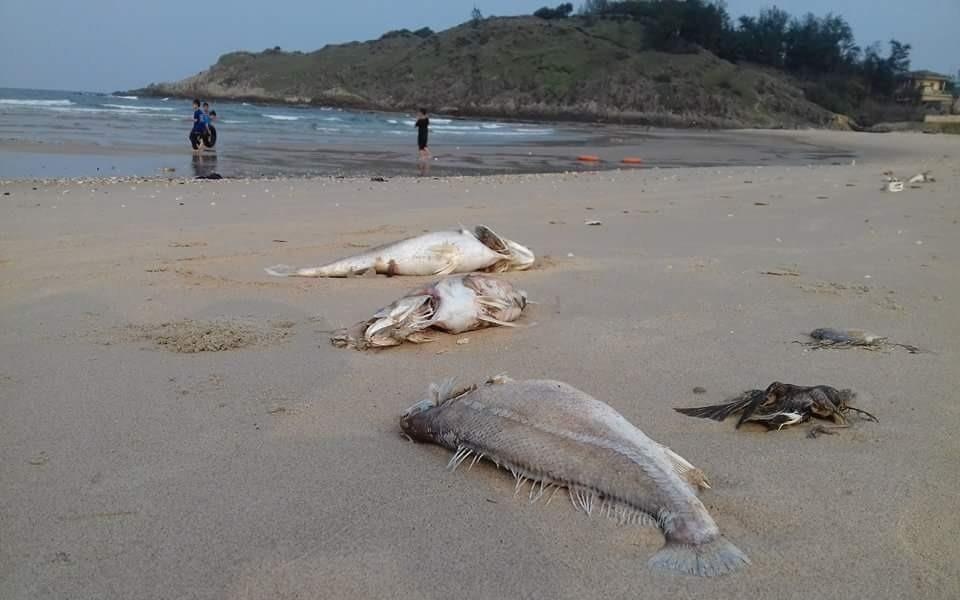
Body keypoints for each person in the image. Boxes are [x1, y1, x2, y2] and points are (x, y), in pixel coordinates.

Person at [415, 108, 430, 175]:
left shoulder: (420, 119)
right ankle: (426, 155)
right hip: (425, 133)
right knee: (424, 145)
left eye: (419, 112)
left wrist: (418, 119)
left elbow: (416, 125)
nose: (418, 113)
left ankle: (422, 157)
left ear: (421, 112)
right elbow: (427, 124)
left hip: (421, 134)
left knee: (421, 146)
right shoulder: (426, 119)